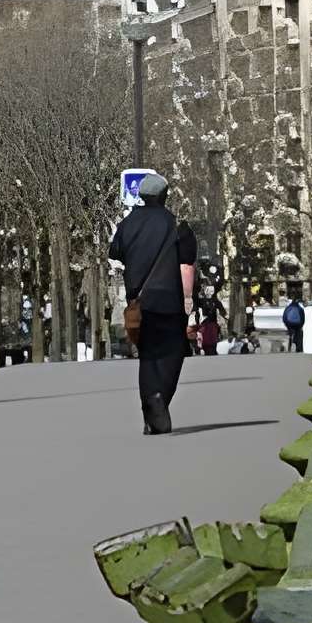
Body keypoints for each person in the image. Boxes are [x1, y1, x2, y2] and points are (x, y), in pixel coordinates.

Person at [108, 171, 196, 434]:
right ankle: (160, 400)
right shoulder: (174, 222)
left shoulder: (128, 223)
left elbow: (115, 252)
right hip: (169, 299)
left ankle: (150, 408)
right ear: (164, 196)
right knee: (173, 353)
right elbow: (188, 255)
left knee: (148, 356)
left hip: (141, 301)